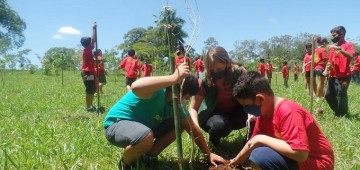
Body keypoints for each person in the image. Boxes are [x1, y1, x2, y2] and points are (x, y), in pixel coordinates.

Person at [103, 63, 226, 169]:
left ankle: (148, 157)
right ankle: (126, 165)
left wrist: (208, 153)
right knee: (145, 136)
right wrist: (173, 78)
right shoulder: (155, 91)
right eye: (186, 97)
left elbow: (193, 130)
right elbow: (135, 86)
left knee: (180, 125)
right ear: (177, 91)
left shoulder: (177, 106)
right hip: (116, 125)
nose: (186, 101)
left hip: (143, 130)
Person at [230, 71, 334, 170]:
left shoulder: (288, 111)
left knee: (260, 156)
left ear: (260, 99)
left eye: (247, 105)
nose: (246, 110)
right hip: (297, 160)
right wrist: (236, 161)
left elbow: (301, 154)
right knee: (257, 153)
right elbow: (251, 144)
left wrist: (260, 139)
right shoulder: (264, 113)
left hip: (317, 163)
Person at [189, 46, 250, 147]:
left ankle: (251, 140)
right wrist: (196, 128)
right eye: (212, 70)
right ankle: (214, 143)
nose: (216, 72)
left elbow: (254, 96)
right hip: (213, 114)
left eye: (219, 69)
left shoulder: (239, 73)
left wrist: (252, 114)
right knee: (220, 126)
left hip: (236, 111)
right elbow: (193, 108)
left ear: (227, 63)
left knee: (257, 113)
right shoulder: (203, 80)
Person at [323, 26, 355, 117]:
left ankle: (343, 114)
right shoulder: (333, 47)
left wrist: (339, 49)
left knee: (341, 95)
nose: (332, 37)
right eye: (332, 35)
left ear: (342, 34)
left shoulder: (348, 45)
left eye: (334, 35)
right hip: (332, 75)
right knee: (327, 95)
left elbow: (350, 56)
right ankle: (337, 110)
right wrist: (326, 70)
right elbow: (330, 61)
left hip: (344, 75)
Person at [80, 22, 97, 112]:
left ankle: (90, 105)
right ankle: (88, 107)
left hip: (88, 71)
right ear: (88, 44)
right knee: (90, 90)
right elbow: (93, 40)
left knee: (92, 89)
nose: (92, 43)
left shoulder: (87, 50)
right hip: (87, 72)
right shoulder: (87, 50)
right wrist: (93, 28)